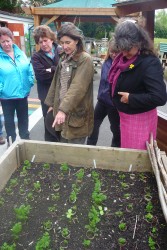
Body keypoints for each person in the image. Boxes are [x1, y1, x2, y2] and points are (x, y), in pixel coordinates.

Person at [108, 20, 167, 150]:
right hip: (125, 116)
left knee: (135, 158)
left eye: (127, 50)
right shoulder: (124, 58)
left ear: (139, 42)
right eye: (121, 49)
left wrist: (131, 98)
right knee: (126, 152)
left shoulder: (149, 63)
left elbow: (160, 97)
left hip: (139, 119)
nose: (123, 54)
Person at [45, 23, 94, 144]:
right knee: (63, 148)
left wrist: (63, 110)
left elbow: (78, 88)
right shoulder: (64, 58)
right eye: (62, 43)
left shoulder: (85, 59)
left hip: (75, 112)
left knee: (75, 153)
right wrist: (52, 103)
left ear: (77, 40)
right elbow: (57, 82)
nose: (64, 46)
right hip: (62, 110)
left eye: (68, 42)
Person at [0, 27, 34, 144]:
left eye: (8, 41)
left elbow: (29, 69)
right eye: (3, 42)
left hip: (22, 95)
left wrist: (30, 82)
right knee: (9, 123)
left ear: (12, 40)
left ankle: (25, 142)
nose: (6, 44)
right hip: (6, 97)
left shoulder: (20, 53)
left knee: (24, 121)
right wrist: (2, 89)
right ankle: (12, 143)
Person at [87, 40, 120, 147]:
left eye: (116, 52)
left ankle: (114, 151)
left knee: (115, 129)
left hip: (113, 104)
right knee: (93, 125)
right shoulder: (106, 62)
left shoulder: (123, 65)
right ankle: (90, 148)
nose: (113, 54)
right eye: (111, 51)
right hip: (102, 101)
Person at [31, 25, 60, 141]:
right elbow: (41, 76)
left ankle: (62, 146)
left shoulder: (61, 51)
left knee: (62, 120)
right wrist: (56, 69)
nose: (43, 44)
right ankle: (49, 147)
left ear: (51, 39)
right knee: (49, 122)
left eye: (45, 40)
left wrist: (49, 69)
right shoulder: (36, 57)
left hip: (62, 94)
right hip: (46, 96)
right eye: (40, 42)